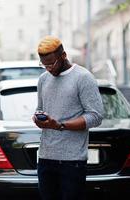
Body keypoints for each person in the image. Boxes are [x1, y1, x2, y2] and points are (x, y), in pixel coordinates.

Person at [33, 36, 104, 200]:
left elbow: (96, 116)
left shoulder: (83, 77)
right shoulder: (43, 79)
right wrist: (38, 118)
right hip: (45, 157)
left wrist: (60, 125)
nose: (48, 69)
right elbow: (40, 109)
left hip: (72, 161)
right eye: (44, 65)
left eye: (52, 63)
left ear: (63, 55)